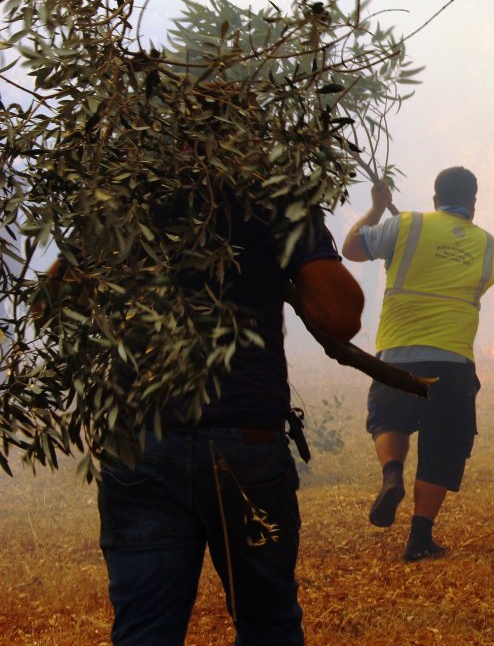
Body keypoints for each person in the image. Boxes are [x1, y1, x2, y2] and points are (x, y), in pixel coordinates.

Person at [93, 203, 364, 645]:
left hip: (142, 443)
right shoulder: (272, 195)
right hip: (244, 443)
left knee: (144, 632)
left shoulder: (127, 191)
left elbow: (58, 304)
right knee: (267, 628)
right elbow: (342, 316)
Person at [341, 166, 494, 561]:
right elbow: (478, 283)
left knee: (390, 419)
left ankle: (392, 474)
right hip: (452, 358)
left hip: (397, 353)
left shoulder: (407, 224)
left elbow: (352, 248)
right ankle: (420, 538)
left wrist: (378, 209)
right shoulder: (488, 245)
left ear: (434, 199)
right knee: (443, 444)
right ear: (473, 204)